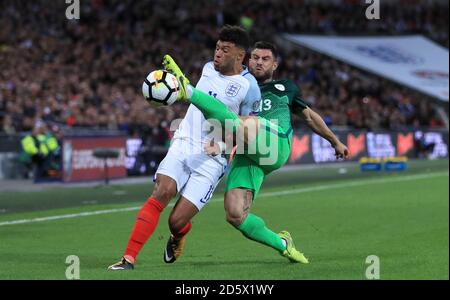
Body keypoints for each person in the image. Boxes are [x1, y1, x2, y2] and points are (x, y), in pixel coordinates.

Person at [166, 41, 349, 263]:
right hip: (247, 150)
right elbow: (222, 119)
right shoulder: (237, 86)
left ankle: (188, 90)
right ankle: (283, 245)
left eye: (265, 59)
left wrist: (335, 141)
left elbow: (309, 117)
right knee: (235, 214)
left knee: (252, 122)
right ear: (247, 59)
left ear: (275, 65)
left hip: (275, 142)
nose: (258, 62)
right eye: (255, 57)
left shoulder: (285, 88)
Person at [108, 25, 261, 270]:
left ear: (240, 56)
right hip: (184, 141)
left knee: (176, 221)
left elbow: (249, 132)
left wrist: (222, 144)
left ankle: (178, 235)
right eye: (217, 47)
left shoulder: (249, 87)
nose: (218, 53)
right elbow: (193, 96)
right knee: (163, 190)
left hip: (214, 158)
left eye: (225, 50)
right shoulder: (208, 69)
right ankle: (128, 258)